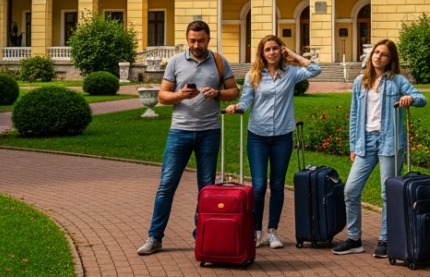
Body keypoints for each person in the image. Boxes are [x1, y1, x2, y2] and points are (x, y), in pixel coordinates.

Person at [136, 20, 239, 256]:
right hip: (179, 132)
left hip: (209, 133)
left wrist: (218, 93)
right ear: (187, 38)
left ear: (208, 39)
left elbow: (234, 91)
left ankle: (202, 235)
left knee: (206, 189)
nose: (196, 44)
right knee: (166, 186)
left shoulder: (220, 62)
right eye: (192, 40)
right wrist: (180, 95)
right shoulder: (175, 61)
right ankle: (155, 237)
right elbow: (162, 97)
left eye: (201, 40)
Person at [330, 39, 426, 258]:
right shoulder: (359, 82)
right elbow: (354, 115)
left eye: (383, 54)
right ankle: (354, 239)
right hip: (365, 142)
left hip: (390, 143)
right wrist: (353, 145)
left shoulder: (397, 81)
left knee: (388, 193)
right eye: (376, 52)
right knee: (350, 190)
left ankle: (385, 239)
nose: (378, 57)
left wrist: (410, 98)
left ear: (390, 59)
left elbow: (422, 99)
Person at [224, 35, 321, 249]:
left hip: (282, 136)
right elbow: (246, 100)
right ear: (261, 53)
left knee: (277, 185)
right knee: (258, 186)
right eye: (267, 49)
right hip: (258, 135)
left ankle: (272, 231)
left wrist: (293, 54)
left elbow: (316, 70)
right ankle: (257, 230)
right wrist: (237, 108)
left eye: (275, 49)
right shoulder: (253, 75)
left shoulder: (291, 73)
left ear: (281, 50)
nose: (271, 53)